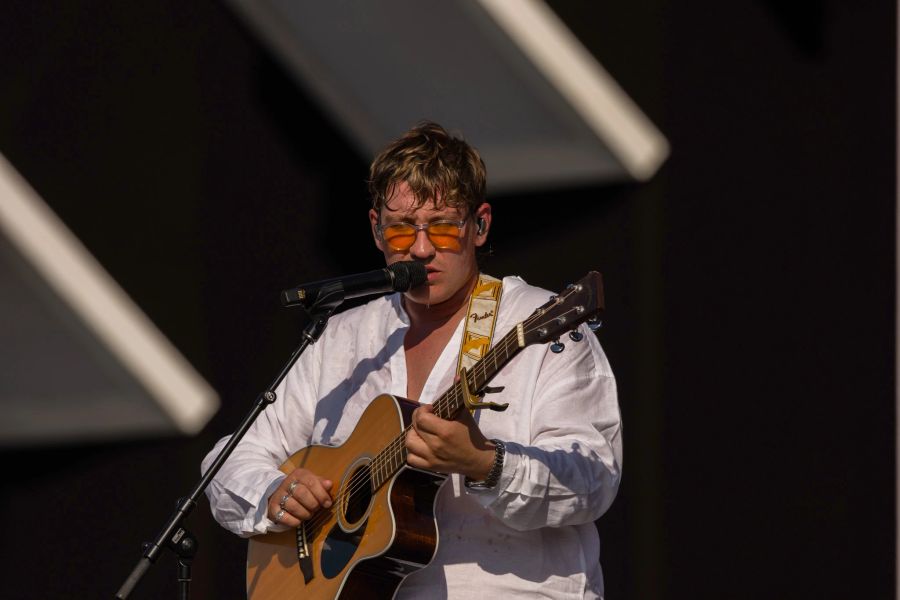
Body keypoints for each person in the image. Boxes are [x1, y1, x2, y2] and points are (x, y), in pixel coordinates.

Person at [203, 121, 622, 598]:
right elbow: (230, 458)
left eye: (443, 226)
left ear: (480, 225)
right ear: (376, 230)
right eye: (402, 230)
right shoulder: (343, 336)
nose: (422, 249)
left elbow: (594, 478)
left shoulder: (541, 324)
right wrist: (273, 493)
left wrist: (485, 464)